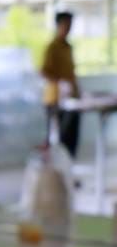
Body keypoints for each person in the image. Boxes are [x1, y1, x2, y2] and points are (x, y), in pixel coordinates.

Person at [42, 10, 80, 158]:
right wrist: (60, 82)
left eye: (70, 24)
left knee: (71, 137)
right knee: (57, 138)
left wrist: (76, 88)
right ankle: (57, 169)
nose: (68, 27)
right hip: (55, 98)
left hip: (71, 97)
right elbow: (44, 71)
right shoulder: (52, 47)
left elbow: (70, 72)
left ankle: (69, 167)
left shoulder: (68, 47)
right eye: (66, 24)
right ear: (58, 25)